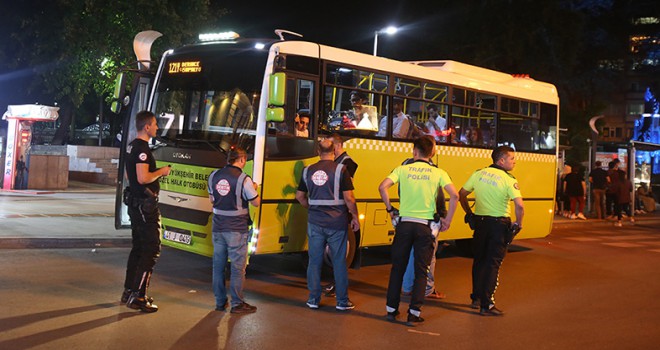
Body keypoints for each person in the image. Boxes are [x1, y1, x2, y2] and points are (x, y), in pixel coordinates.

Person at [379, 136, 458, 326]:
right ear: (432, 153)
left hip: (404, 224)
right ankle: (414, 313)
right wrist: (448, 219)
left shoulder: (402, 169)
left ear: (414, 152)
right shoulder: (438, 172)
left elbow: (382, 187)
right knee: (421, 270)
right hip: (425, 227)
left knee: (397, 268)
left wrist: (390, 209)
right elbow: (454, 195)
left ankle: (391, 310)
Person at [295, 138, 360, 311]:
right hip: (336, 223)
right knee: (339, 262)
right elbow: (349, 198)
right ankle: (342, 301)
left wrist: (312, 207)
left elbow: (300, 196)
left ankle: (313, 299)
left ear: (318, 152)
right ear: (334, 152)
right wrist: (354, 217)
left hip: (315, 222)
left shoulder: (308, 170)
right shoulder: (341, 170)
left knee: (314, 261)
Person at [459, 145, 524, 316]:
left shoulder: (479, 173)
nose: (514, 162)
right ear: (501, 160)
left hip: (480, 224)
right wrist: (518, 223)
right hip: (499, 226)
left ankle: (476, 298)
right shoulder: (508, 179)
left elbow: (462, 194)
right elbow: (519, 205)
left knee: (479, 260)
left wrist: (469, 213)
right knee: (493, 263)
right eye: (512, 158)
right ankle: (487, 304)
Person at [121, 110, 171, 313]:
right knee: (151, 249)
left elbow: (128, 175)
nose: (157, 127)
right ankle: (139, 297)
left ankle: (129, 291)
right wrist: (162, 171)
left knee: (139, 248)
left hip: (135, 204)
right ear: (147, 127)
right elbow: (142, 178)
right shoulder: (142, 150)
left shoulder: (132, 146)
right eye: (155, 124)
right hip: (145, 206)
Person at [208, 146, 261, 314]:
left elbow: (212, 199)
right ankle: (237, 303)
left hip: (218, 227)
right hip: (236, 229)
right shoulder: (243, 179)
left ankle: (219, 302)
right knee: (238, 268)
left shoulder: (214, 176)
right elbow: (256, 202)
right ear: (242, 160)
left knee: (218, 266)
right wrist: (254, 188)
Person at [400, 143, 448, 300]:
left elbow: (391, 188)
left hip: (406, 216)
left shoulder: (404, 166)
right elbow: (442, 195)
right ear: (432, 151)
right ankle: (427, 289)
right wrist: (443, 213)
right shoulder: (434, 170)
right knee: (428, 256)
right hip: (427, 219)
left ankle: (407, 287)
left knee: (409, 253)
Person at [322, 133, 359, 297]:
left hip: (341, 212)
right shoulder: (335, 162)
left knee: (340, 253)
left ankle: (338, 286)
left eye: (330, 145)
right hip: (333, 213)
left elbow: (347, 192)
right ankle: (335, 284)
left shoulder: (348, 163)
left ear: (337, 146)